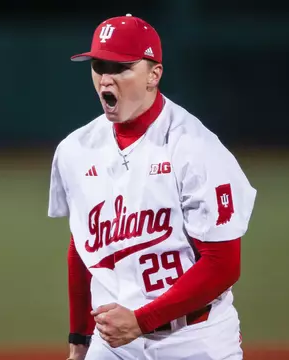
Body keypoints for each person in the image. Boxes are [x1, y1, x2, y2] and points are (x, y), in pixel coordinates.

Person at [48, 13, 257, 360]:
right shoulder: (75, 150)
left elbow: (223, 263)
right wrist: (78, 340)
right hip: (114, 344)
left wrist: (142, 321)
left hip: (194, 340)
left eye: (121, 68)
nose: (106, 79)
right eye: (99, 66)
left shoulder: (195, 148)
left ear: (154, 74)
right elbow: (82, 251)